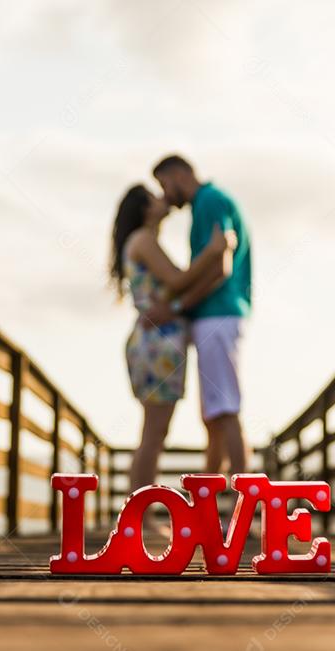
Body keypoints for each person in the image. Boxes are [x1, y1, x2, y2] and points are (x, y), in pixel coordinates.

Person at [110, 184, 236, 495]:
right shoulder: (143, 240)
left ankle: (139, 509)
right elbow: (178, 280)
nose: (163, 198)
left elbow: (177, 282)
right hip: (156, 344)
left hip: (158, 344)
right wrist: (214, 251)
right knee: (154, 432)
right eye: (155, 197)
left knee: (154, 431)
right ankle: (140, 511)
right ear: (145, 209)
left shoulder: (145, 241)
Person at [145, 155, 252, 477]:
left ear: (178, 174)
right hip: (217, 315)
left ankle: (241, 508)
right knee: (214, 415)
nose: (165, 195)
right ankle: (211, 503)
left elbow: (220, 265)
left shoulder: (208, 201)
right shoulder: (209, 202)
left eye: (164, 184)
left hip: (216, 315)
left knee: (225, 409)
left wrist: (176, 307)